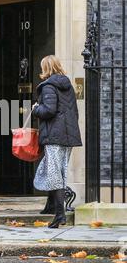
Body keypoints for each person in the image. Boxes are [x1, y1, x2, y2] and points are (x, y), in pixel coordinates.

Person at [32, 55, 82, 228]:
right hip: (67, 136)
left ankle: (60, 215)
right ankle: (53, 208)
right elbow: (74, 112)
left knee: (55, 176)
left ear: (46, 68)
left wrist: (36, 109)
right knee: (59, 173)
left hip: (54, 136)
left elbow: (49, 110)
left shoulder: (48, 86)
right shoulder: (66, 85)